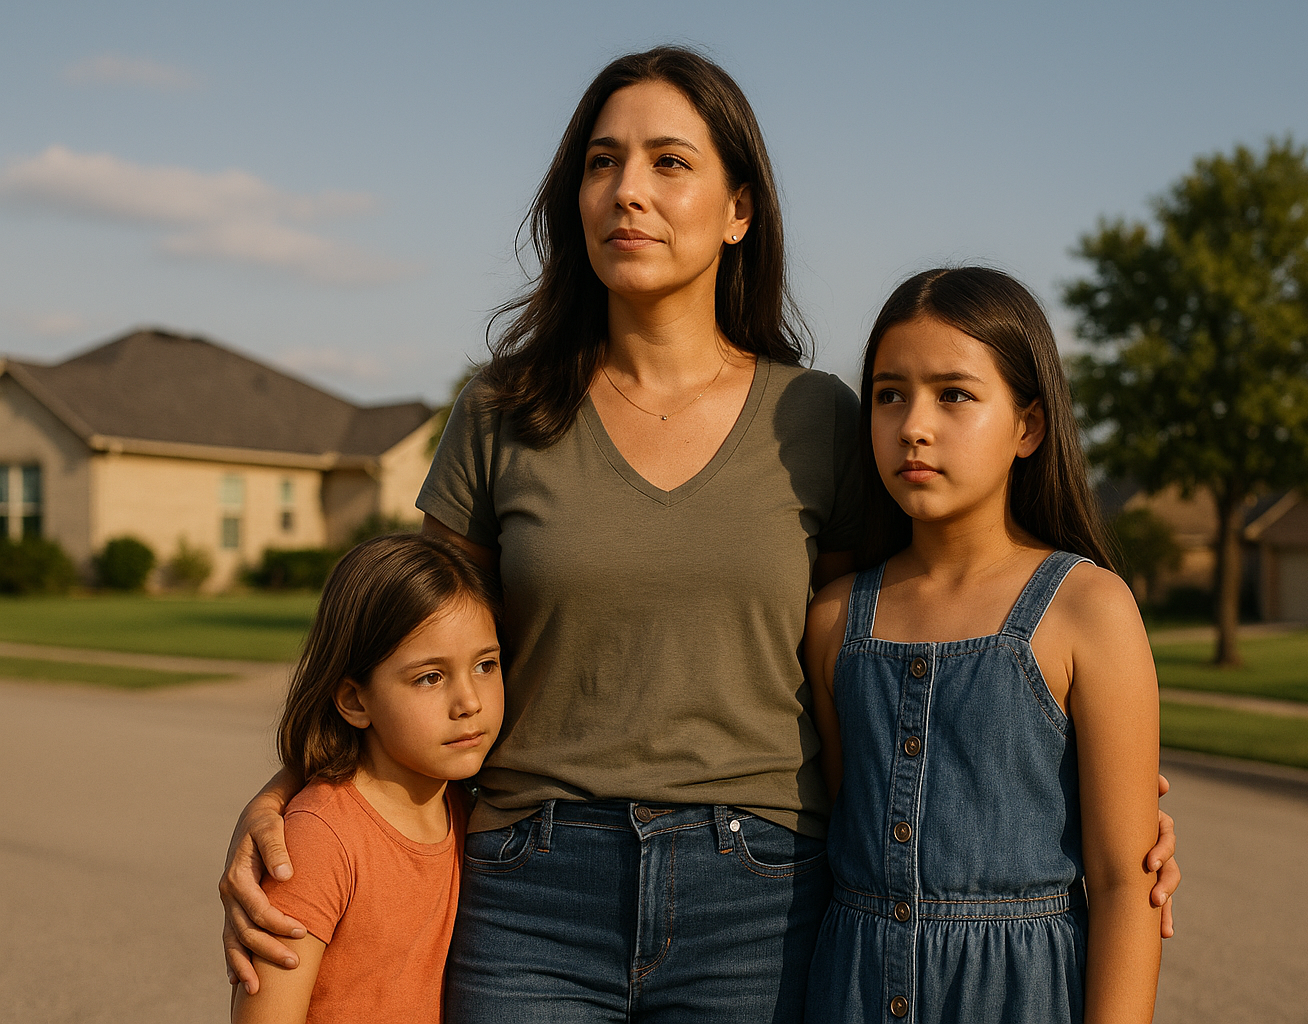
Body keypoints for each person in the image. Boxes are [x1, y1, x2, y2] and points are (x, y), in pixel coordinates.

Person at [218, 47, 1179, 1023]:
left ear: (739, 211)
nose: (628, 189)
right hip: (529, 890)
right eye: (602, 162)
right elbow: (405, 652)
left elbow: (901, 657)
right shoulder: (502, 410)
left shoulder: (823, 420)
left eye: (669, 161)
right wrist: (288, 795)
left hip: (758, 900)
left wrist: (1082, 804)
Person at [802, 267, 1162, 1023]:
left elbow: (1126, 882)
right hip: (850, 992)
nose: (914, 426)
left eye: (954, 394)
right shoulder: (836, 618)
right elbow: (838, 825)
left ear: (1028, 425)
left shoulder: (1088, 607)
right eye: (889, 394)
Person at [231, 534, 504, 1024]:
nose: (470, 702)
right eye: (430, 677)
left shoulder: (469, 807)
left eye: (486, 665)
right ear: (355, 701)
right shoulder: (320, 837)